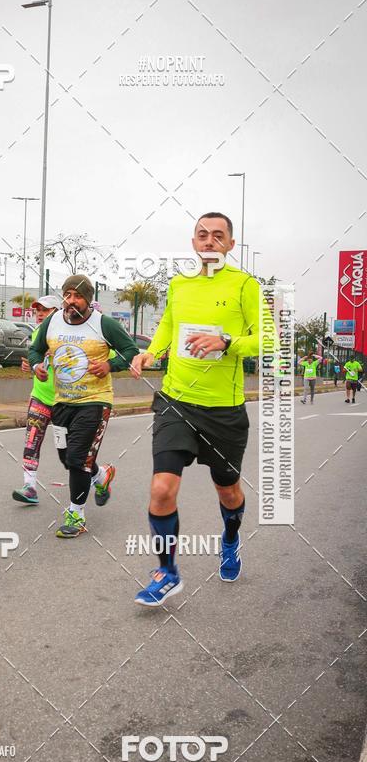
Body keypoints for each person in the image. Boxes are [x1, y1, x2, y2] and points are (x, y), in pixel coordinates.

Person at [130, 212, 274, 606]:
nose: (209, 241)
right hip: (176, 400)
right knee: (162, 487)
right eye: (201, 235)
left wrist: (227, 342)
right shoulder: (179, 283)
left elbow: (268, 338)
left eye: (217, 236)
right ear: (193, 241)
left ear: (229, 244)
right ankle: (167, 572)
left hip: (223, 410)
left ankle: (230, 539)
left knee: (228, 492)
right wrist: (151, 352)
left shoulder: (245, 285)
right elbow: (168, 326)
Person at [28, 274, 139, 537]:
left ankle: (76, 514)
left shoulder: (103, 324)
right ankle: (101, 475)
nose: (72, 301)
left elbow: (130, 351)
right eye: (68, 295)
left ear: (88, 300)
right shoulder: (53, 321)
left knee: (77, 459)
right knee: (67, 459)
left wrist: (110, 365)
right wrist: (36, 366)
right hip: (62, 402)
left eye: (78, 296)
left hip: (95, 402)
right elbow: (35, 349)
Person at [12, 295, 62, 505]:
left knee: (68, 451)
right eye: (37, 310)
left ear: (57, 313)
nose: (40, 314)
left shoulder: (65, 334)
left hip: (64, 400)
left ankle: (98, 476)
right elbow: (37, 360)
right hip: (40, 396)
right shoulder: (35, 333)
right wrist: (30, 367)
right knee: (32, 440)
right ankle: (30, 487)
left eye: (45, 310)